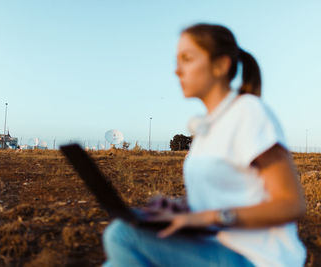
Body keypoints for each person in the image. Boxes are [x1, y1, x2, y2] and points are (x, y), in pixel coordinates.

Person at [102, 23, 307, 267]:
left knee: (121, 235)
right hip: (216, 246)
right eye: (176, 61)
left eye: (187, 59)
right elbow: (231, 193)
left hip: (256, 258)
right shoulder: (207, 128)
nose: (177, 70)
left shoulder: (249, 112)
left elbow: (292, 204)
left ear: (221, 65)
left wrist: (209, 217)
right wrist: (179, 208)